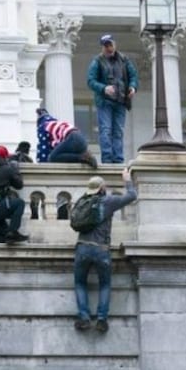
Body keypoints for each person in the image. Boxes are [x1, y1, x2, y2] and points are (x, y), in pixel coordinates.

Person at [72, 168, 138, 334]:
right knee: (105, 284)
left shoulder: (82, 202)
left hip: (82, 247)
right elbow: (132, 196)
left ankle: (84, 317)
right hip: (101, 249)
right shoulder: (108, 201)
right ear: (102, 188)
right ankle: (101, 319)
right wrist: (127, 179)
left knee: (80, 283)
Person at [86, 34, 139, 164]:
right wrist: (104, 88)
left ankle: (118, 159)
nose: (109, 48)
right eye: (106, 45)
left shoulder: (124, 59)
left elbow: (133, 76)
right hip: (105, 101)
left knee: (118, 131)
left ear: (115, 45)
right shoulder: (97, 61)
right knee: (106, 130)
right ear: (102, 47)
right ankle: (107, 159)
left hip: (120, 100)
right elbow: (90, 81)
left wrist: (132, 87)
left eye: (110, 45)